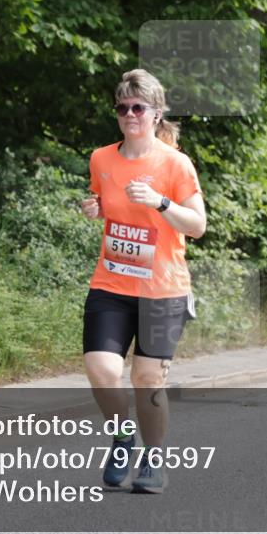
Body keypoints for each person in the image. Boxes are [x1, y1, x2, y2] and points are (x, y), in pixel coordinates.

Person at [79, 69, 206, 494]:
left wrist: (161, 202)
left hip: (163, 290)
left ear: (156, 114)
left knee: (148, 379)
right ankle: (121, 438)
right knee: (101, 370)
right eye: (123, 107)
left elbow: (198, 225)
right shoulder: (101, 158)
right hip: (112, 283)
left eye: (138, 107)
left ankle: (154, 458)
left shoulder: (175, 163)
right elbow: (102, 198)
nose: (130, 114)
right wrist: (94, 207)